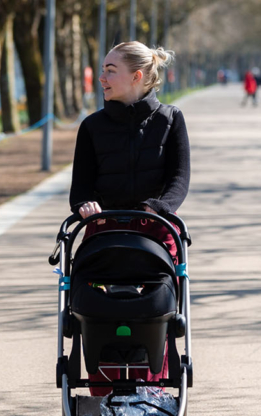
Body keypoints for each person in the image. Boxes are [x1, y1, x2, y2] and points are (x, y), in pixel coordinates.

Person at [69, 41, 190, 396]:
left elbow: (179, 180)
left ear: (137, 76)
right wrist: (86, 206)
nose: (101, 78)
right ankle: (102, 389)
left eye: (110, 71)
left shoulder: (170, 119)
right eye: (103, 70)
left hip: (155, 231)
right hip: (105, 232)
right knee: (92, 305)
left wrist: (160, 206)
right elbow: (81, 189)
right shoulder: (91, 127)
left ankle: (152, 389)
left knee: (159, 307)